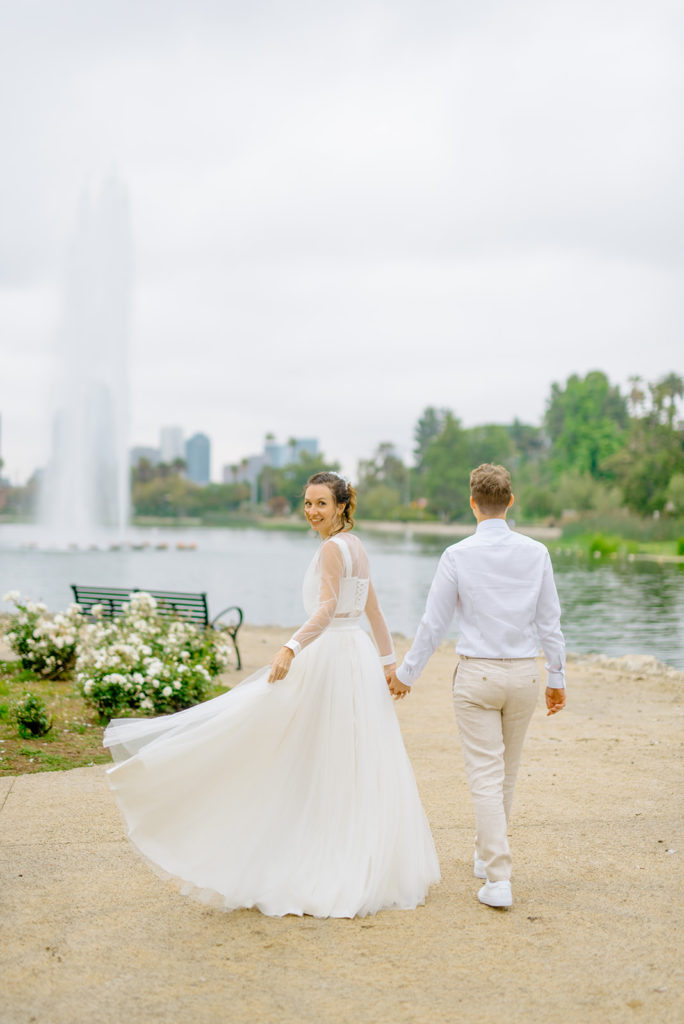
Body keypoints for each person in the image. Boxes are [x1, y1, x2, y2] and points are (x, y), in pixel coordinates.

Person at [104, 472, 440, 918]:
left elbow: (328, 610)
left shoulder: (331, 549)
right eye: (307, 503)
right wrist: (384, 662)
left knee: (294, 743)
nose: (312, 511)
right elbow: (373, 612)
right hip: (353, 655)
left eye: (321, 503)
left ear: (341, 505)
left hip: (331, 658)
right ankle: (354, 850)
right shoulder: (356, 545)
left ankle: (317, 851)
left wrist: (290, 647)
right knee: (347, 755)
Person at [388, 463, 566, 910]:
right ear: (510, 501)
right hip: (525, 674)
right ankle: (487, 861)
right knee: (505, 774)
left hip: (478, 676)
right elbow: (550, 622)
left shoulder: (457, 555)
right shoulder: (537, 552)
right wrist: (557, 677)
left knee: (486, 777)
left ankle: (499, 876)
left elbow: (434, 623)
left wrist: (407, 674)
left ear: (473, 503)